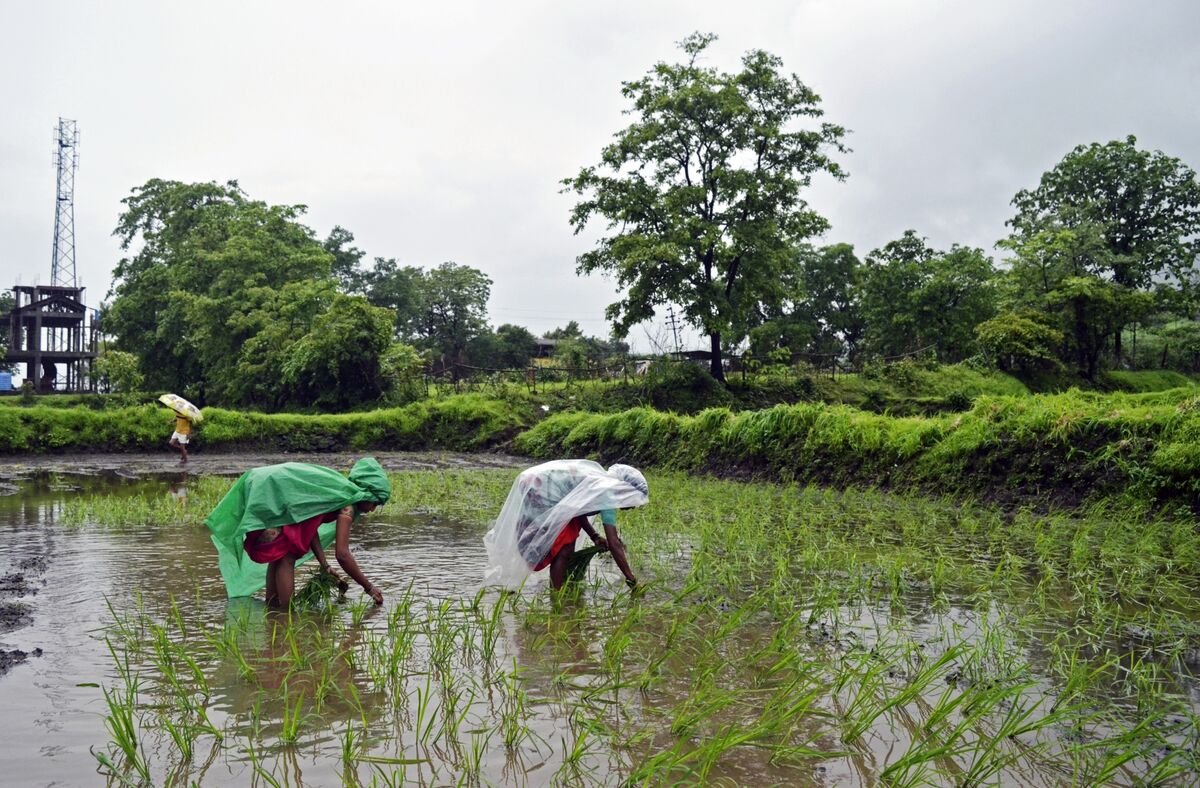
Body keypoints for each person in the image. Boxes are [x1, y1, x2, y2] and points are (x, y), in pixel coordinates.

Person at [205, 457, 392, 607]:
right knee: (287, 557)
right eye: (375, 503)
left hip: (266, 496)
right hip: (271, 497)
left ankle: (273, 613)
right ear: (367, 493)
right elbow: (343, 554)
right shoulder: (348, 506)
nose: (372, 509)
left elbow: (310, 528)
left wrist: (325, 565)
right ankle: (287, 618)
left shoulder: (338, 490)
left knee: (279, 557)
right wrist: (369, 587)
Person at [483, 460, 649, 591]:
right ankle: (557, 595)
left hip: (534, 486)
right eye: (634, 500)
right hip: (539, 492)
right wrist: (631, 580)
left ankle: (556, 589)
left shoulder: (600, 483)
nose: (634, 506)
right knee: (565, 549)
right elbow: (614, 544)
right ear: (625, 490)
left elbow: (575, 511)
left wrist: (595, 536)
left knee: (566, 540)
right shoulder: (606, 493)